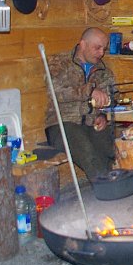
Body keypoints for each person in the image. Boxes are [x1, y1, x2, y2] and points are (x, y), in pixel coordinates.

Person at [44, 27, 116, 182]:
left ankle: (110, 187)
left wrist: (103, 115)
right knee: (87, 152)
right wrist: (89, 90)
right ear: (82, 44)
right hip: (62, 124)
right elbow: (55, 92)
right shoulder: (60, 63)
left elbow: (113, 96)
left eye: (104, 49)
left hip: (92, 123)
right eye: (97, 48)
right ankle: (108, 192)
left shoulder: (103, 70)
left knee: (111, 150)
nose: (101, 53)